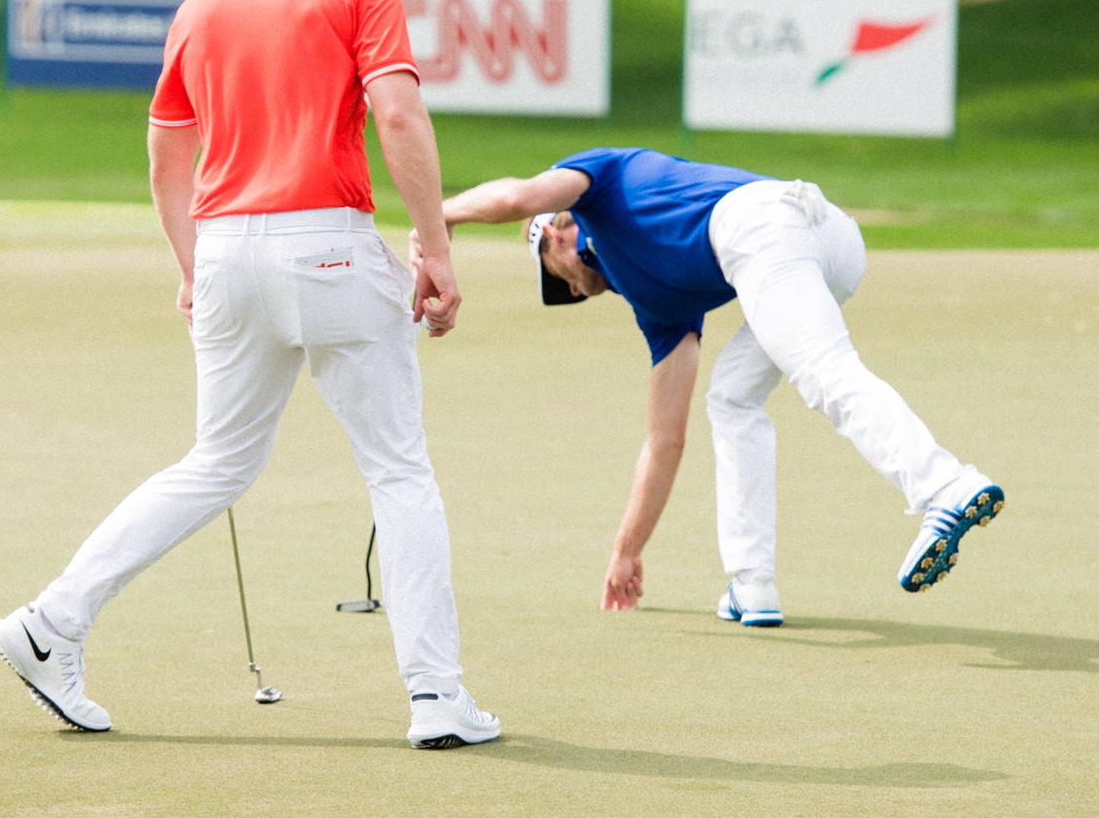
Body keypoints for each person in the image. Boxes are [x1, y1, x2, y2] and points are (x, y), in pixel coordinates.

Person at [0, 0, 499, 750]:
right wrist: (434, 248)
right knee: (397, 469)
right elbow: (397, 112)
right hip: (331, 246)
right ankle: (435, 697)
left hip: (224, 253)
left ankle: (52, 620)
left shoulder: (203, 0)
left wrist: (192, 266)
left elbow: (164, 160)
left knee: (216, 464)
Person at [429, 147, 1003, 624]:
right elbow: (664, 441)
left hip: (764, 225)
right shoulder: (655, 305)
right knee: (732, 396)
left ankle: (944, 486)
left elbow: (514, 199)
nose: (572, 294)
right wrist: (627, 550)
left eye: (557, 280)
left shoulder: (596, 184)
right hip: (826, 241)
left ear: (555, 236)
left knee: (825, 373)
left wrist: (443, 215)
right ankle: (751, 585)